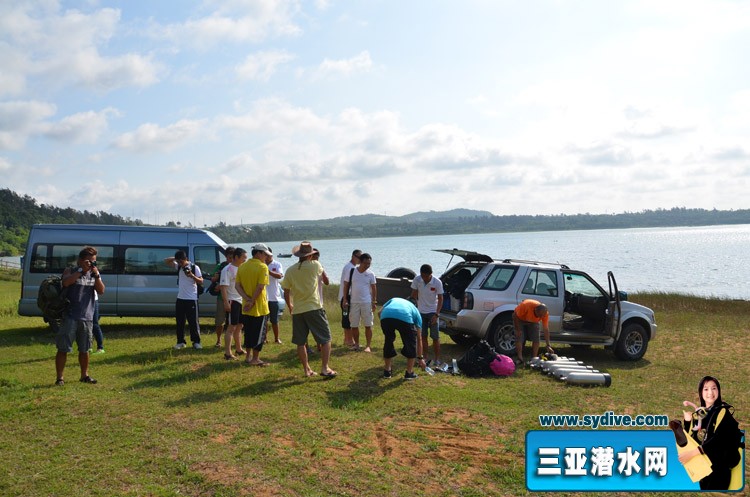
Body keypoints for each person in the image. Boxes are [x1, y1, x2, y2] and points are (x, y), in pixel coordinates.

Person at [281, 241, 337, 378]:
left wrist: (290, 305)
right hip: (314, 307)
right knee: (326, 339)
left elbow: (286, 291)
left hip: (298, 310)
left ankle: (307, 370)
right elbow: (325, 279)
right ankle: (325, 368)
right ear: (310, 255)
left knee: (301, 342)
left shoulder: (290, 270)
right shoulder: (315, 265)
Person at [677, 376, 742, 490]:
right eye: (706, 389)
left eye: (714, 388)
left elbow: (719, 439)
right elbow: (693, 439)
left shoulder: (722, 412)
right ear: (701, 393)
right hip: (704, 468)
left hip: (719, 470)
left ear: (718, 391)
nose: (710, 392)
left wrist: (692, 454)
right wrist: (687, 422)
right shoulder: (701, 414)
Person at [55, 246, 105, 386]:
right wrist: (81, 271)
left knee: (85, 349)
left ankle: (84, 375)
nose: (91, 264)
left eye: (94, 261)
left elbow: (101, 291)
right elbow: (66, 282)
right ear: (80, 260)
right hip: (70, 316)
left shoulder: (94, 273)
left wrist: (96, 275)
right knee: (63, 348)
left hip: (87, 317)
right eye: (89, 261)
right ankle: (60, 378)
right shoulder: (70, 270)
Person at [235, 243, 271, 366]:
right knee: (259, 333)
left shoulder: (242, 266)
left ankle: (248, 356)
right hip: (259, 307)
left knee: (249, 332)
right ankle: (255, 358)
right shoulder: (263, 267)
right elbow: (260, 287)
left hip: (246, 306)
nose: (266, 257)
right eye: (265, 254)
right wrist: (252, 301)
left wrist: (247, 299)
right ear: (258, 253)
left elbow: (237, 286)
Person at [164, 250, 204, 349]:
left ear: (186, 259)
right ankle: (180, 342)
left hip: (191, 298)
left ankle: (196, 342)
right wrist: (176, 259)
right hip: (180, 298)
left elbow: (201, 281)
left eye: (181, 262)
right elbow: (166, 261)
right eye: (178, 262)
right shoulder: (179, 266)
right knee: (180, 322)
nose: (180, 264)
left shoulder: (194, 267)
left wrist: (192, 275)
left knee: (193, 322)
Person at [378, 297, 425, 380]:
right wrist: (420, 358)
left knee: (388, 341)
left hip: (385, 316)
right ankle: (409, 373)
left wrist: (386, 323)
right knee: (411, 343)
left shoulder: (394, 299)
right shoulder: (415, 310)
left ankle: (387, 372)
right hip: (405, 316)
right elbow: (419, 338)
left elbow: (379, 312)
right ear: (415, 305)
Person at [410, 264, 444, 366]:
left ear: (431, 274)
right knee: (422, 336)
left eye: (426, 276)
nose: (424, 278)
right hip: (420, 312)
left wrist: (436, 314)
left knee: (435, 337)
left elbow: (441, 299)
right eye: (422, 276)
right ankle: (424, 357)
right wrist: (415, 308)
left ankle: (437, 358)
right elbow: (413, 295)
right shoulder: (417, 280)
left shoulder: (437, 282)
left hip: (433, 312)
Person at [342, 252, 377, 353]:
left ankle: (368, 346)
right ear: (360, 262)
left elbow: (374, 288)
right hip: (354, 302)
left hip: (366, 302)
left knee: (368, 325)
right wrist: (345, 299)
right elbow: (346, 285)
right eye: (365, 263)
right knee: (354, 325)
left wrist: (374, 302)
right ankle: (356, 344)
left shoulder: (371, 274)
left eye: (369, 263)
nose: (367, 265)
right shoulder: (352, 271)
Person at [220, 247, 247, 360]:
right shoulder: (227, 269)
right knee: (231, 327)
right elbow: (223, 287)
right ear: (236, 257)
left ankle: (239, 349)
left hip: (241, 300)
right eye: (243, 257)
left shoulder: (242, 268)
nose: (245, 259)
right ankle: (227, 353)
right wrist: (226, 303)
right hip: (232, 300)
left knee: (240, 326)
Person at [513, 299, 553, 364]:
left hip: (534, 321)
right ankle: (520, 358)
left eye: (542, 316)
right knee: (519, 337)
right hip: (520, 319)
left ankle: (534, 359)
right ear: (535, 310)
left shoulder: (544, 314)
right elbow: (515, 315)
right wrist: (518, 329)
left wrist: (548, 345)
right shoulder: (525, 305)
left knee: (536, 338)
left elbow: (546, 329)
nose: (541, 317)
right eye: (539, 315)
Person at [211, 246, 235, 348]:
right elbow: (212, 279)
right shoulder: (221, 266)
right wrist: (216, 277)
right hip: (222, 297)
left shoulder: (238, 267)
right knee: (220, 321)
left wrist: (220, 285)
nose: (231, 260)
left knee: (234, 321)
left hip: (234, 297)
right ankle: (218, 340)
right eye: (229, 257)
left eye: (233, 257)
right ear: (226, 257)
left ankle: (233, 340)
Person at [338, 249, 361, 347]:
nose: (360, 259)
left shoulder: (350, 266)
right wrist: (346, 299)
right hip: (346, 297)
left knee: (347, 318)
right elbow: (347, 284)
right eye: (359, 257)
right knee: (348, 319)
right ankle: (349, 340)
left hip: (345, 297)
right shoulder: (350, 268)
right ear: (353, 256)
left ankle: (346, 339)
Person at [265, 247, 283, 344]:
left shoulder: (277, 264)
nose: (266, 256)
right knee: (264, 320)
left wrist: (268, 271)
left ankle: (276, 338)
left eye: (267, 254)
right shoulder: (261, 264)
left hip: (274, 297)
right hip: (263, 297)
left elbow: (279, 276)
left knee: (274, 320)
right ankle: (264, 338)